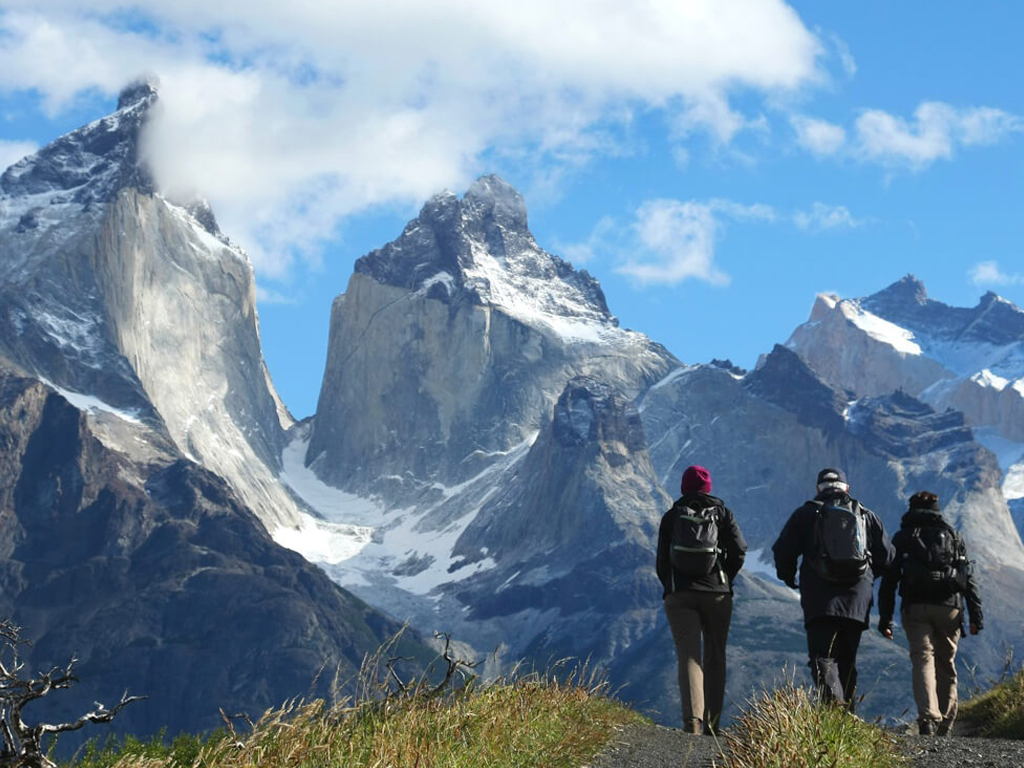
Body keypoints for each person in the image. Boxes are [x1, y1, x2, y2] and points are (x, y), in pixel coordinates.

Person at [772, 467, 895, 710]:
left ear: (819, 488)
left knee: (822, 656)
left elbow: (783, 550)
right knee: (848, 657)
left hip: (820, 597)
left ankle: (834, 706)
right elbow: (888, 557)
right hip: (857, 598)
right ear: (846, 488)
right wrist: (868, 577)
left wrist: (787, 576)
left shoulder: (806, 513)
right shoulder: (866, 515)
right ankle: (847, 716)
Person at [878, 490, 983, 736]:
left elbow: (889, 581)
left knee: (922, 659)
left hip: (915, 608)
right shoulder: (954, 536)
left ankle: (927, 717)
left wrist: (886, 619)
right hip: (950, 608)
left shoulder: (903, 537)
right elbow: (968, 579)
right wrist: (976, 617)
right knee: (946, 662)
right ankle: (946, 722)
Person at [656, 465, 747, 735]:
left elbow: (662, 561)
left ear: (684, 487)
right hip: (717, 593)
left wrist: (671, 587)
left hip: (680, 594)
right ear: (708, 488)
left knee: (689, 656)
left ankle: (692, 721)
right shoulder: (722, 514)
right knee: (716, 655)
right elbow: (740, 550)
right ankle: (713, 723)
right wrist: (724, 578)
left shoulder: (672, 517)